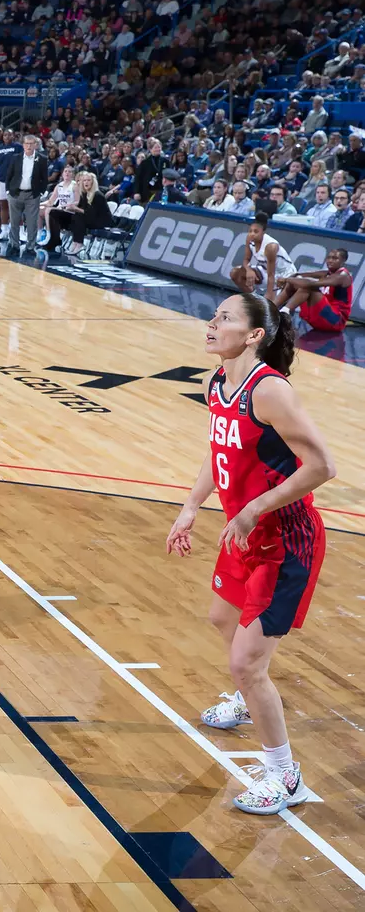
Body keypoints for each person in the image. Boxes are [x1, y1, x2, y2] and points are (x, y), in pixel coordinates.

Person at [166, 292, 334, 815]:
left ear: (254, 334)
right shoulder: (217, 381)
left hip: (285, 539)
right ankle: (246, 698)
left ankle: (285, 776)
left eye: (226, 318)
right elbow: (218, 450)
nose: (212, 322)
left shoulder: (270, 390)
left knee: (247, 662)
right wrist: (191, 507)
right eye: (214, 315)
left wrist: (254, 508)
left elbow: (322, 466)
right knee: (222, 618)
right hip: (245, 532)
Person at [274, 248, 353, 332]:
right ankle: (271, 308)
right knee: (295, 282)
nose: (330, 261)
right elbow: (299, 275)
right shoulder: (327, 273)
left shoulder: (343, 276)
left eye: (334, 258)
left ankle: (284, 312)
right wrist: (290, 278)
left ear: (343, 261)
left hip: (336, 320)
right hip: (323, 315)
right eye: (329, 258)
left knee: (308, 286)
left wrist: (286, 279)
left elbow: (311, 284)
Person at [229, 214, 294, 302]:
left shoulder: (270, 247)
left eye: (256, 232)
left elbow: (271, 275)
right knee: (235, 273)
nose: (252, 234)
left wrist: (269, 295)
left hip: (284, 275)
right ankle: (254, 299)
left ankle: (271, 300)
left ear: (263, 232)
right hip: (266, 270)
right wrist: (249, 270)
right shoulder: (249, 239)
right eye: (250, 231)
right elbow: (246, 260)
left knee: (272, 304)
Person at [6, 134, 46, 252]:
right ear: (23, 145)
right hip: (15, 194)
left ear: (35, 145)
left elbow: (44, 178)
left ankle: (30, 247)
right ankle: (14, 245)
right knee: (14, 221)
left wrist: (41, 192)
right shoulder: (15, 157)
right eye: (27, 143)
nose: (29, 146)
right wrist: (8, 191)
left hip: (32, 195)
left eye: (31, 143)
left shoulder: (42, 159)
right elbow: (9, 175)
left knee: (32, 222)